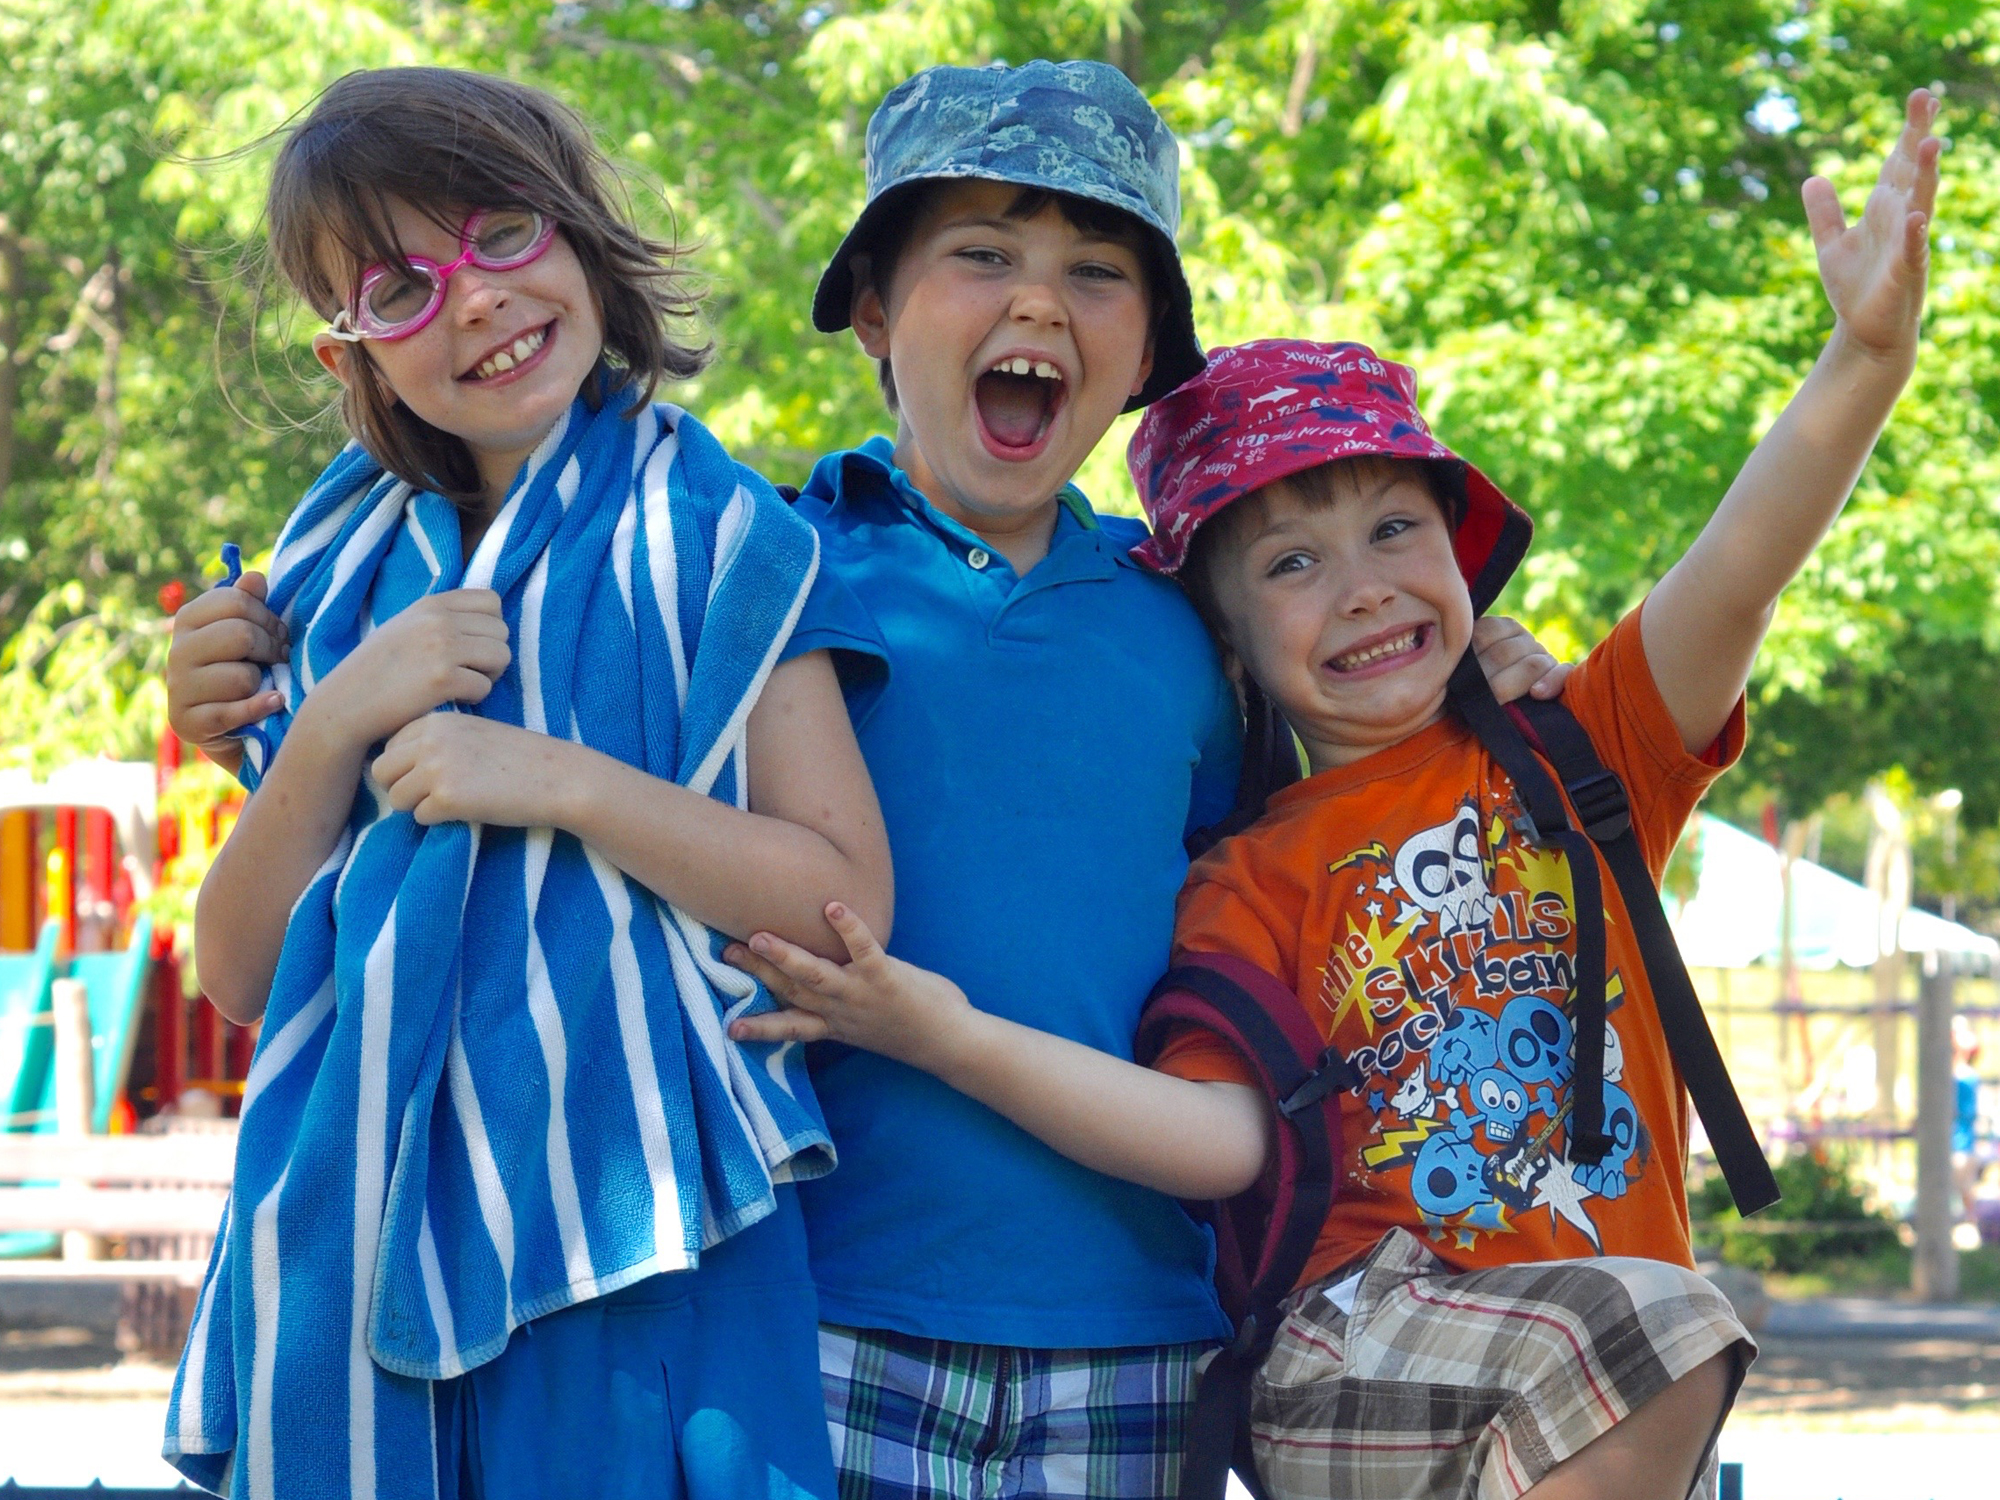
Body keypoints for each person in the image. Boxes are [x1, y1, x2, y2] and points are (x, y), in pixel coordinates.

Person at [175, 59, 1568, 1500]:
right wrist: (249, 697)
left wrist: (1477, 678)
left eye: (1096, 272)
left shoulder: (1193, 631)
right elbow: (478, 695)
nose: (1037, 304)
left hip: (1137, 1315)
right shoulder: (755, 557)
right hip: (828, 1309)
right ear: (874, 316)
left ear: (1149, 351)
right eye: (980, 256)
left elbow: (1327, 788)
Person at [727, 88, 1941, 1500]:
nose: (1360, 584)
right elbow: (1218, 1125)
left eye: (1392, 531)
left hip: (1405, 1351)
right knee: (1662, 1329)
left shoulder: (1558, 750)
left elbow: (1741, 568)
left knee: (1658, 1329)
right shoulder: (1236, 859)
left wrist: (1862, 359)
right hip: (1209, 1333)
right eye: (1290, 564)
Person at [158, 68, 891, 1500]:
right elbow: (243, 974)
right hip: (350, 1233)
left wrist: (554, 780)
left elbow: (842, 900)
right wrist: (330, 729)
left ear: (583, 236)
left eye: (503, 234)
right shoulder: (323, 588)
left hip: (656, 1236)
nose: (477, 298)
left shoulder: (725, 537)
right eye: (400, 285)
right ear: (350, 355)